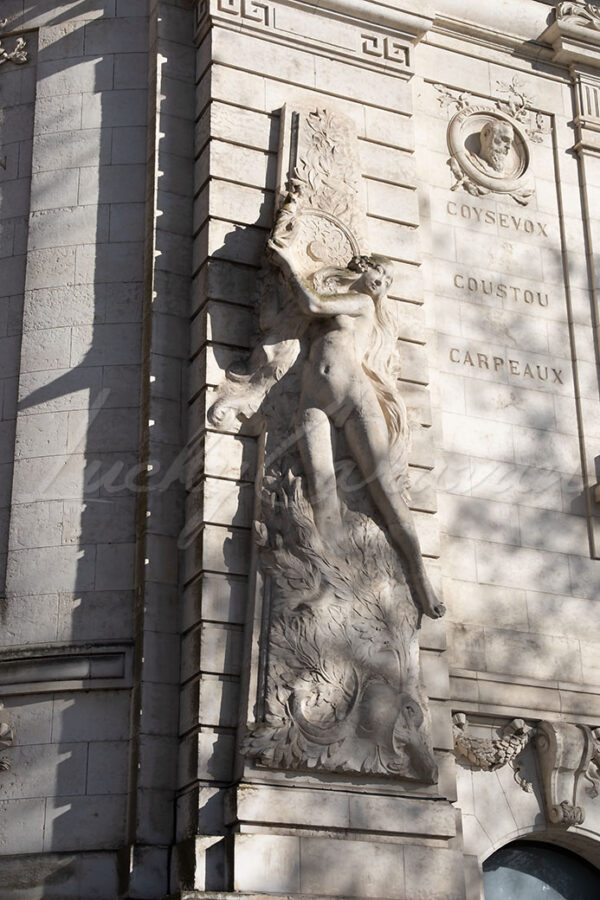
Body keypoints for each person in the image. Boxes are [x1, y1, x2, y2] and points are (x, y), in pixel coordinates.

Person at [267, 237, 445, 619]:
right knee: (321, 490)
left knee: (385, 490)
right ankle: (334, 580)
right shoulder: (343, 299)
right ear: (362, 268)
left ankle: (420, 577)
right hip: (312, 402)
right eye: (381, 273)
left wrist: (287, 261)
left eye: (388, 281)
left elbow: (313, 303)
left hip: (355, 400)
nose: (383, 283)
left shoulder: (361, 304)